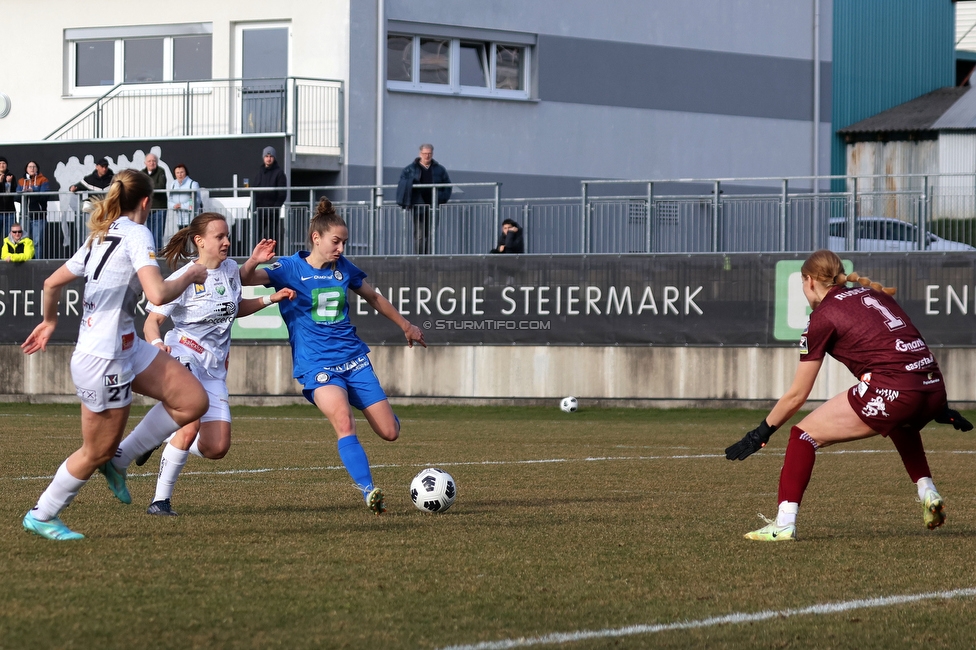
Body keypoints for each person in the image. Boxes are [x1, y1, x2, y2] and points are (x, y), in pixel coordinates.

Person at [724, 249, 973, 542]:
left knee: (802, 435)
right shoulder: (876, 295)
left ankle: (784, 523)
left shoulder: (822, 316)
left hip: (895, 389)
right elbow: (913, 345)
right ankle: (927, 491)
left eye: (803, 283)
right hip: (932, 386)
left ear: (811, 281)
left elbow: (797, 395)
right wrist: (938, 405)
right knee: (899, 422)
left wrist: (761, 432)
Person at [20, 169, 210, 541]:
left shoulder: (101, 234)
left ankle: (120, 462)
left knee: (192, 400)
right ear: (145, 203)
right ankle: (42, 514)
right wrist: (190, 275)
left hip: (125, 344)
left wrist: (49, 319)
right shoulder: (137, 233)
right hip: (103, 356)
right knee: (96, 450)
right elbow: (156, 294)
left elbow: (50, 282)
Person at [239, 197, 427, 515]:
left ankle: (358, 396)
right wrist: (253, 260)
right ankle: (369, 491)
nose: (340, 248)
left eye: (344, 242)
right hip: (316, 365)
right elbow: (244, 279)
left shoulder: (344, 269)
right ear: (317, 238)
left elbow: (373, 297)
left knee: (389, 432)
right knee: (344, 422)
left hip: (354, 359)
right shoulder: (288, 267)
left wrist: (406, 325)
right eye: (336, 241)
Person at [108, 213, 295, 516]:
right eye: (219, 237)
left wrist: (270, 298)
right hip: (184, 353)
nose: (226, 242)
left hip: (215, 368)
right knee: (189, 419)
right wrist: (158, 345)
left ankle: (160, 436)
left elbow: (232, 309)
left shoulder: (232, 269)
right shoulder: (182, 277)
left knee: (216, 447)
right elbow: (152, 322)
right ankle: (160, 501)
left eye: (227, 235)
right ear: (200, 241)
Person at [396, 144, 451, 255]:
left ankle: (430, 256)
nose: (427, 156)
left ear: (432, 154)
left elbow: (447, 186)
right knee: (420, 234)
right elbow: (402, 183)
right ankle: (419, 257)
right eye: (425, 153)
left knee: (432, 234)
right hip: (419, 206)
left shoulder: (440, 170)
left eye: (429, 153)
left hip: (433, 206)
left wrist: (440, 198)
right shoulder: (410, 169)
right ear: (420, 154)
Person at [251, 146, 287, 246]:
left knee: (271, 237)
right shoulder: (260, 173)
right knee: (256, 236)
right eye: (266, 156)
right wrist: (254, 205)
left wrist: (275, 208)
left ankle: (270, 256)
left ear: (274, 158)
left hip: (272, 212)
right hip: (259, 211)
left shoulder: (279, 173)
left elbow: (282, 193)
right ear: (263, 158)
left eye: (271, 156)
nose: (268, 158)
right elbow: (254, 190)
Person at [17, 161, 50, 259]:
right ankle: (24, 262)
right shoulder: (21, 181)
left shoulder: (43, 180)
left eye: (34, 167)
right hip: (24, 216)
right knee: (23, 241)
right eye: (30, 167)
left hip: (38, 217)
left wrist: (33, 192)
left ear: (37, 169)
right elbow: (16, 197)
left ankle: (37, 264)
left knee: (37, 242)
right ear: (26, 169)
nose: (32, 168)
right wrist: (23, 193)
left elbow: (45, 196)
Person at [143, 153, 168, 250]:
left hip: (159, 208)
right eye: (149, 161)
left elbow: (160, 186)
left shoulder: (161, 171)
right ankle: (151, 253)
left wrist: (147, 187)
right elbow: (140, 186)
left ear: (157, 162)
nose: (151, 163)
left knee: (157, 235)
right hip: (148, 209)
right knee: (149, 233)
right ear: (145, 163)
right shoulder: (142, 173)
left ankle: (158, 255)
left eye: (153, 161)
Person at [166, 163, 199, 236]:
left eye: (182, 172)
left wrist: (182, 206)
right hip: (179, 220)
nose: (179, 175)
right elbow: (170, 200)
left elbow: (196, 201)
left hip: (191, 219)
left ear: (186, 172)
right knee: (182, 241)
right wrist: (174, 206)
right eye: (177, 173)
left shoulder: (193, 184)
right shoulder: (173, 184)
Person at [0, 157, 17, 234]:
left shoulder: (11, 176)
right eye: (0, 163)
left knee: (9, 236)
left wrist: (8, 183)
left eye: (3, 163)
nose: (2, 165)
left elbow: (11, 194)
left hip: (9, 211)